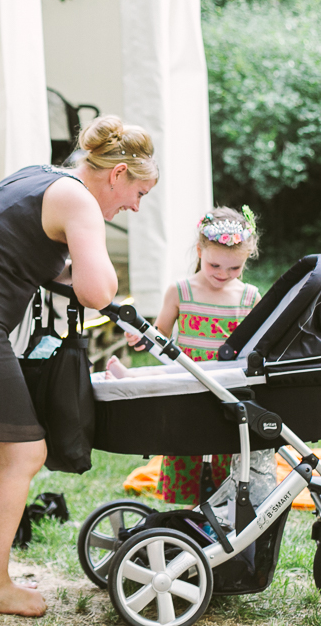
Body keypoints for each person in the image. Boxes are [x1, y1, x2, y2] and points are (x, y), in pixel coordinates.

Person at [0, 116, 158, 616]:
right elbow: (96, 289)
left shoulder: (38, 175)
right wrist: (102, 256)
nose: (133, 205)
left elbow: (39, 263)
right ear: (117, 172)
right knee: (23, 454)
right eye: (139, 192)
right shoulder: (80, 199)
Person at [108, 206, 275, 507]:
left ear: (246, 260)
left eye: (234, 269)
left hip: (227, 385)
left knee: (228, 448)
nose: (223, 275)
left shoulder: (249, 296)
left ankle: (223, 512)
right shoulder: (180, 291)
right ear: (199, 251)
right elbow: (158, 334)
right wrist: (139, 337)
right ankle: (189, 516)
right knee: (187, 444)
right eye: (214, 266)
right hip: (186, 380)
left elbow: (258, 345)